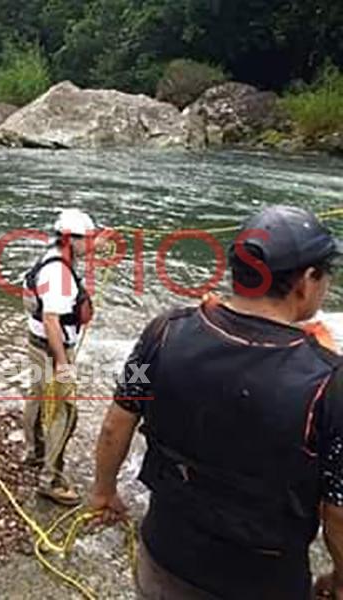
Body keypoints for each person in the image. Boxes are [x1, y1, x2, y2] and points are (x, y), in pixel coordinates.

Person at [88, 205, 343, 600]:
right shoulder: (330, 384)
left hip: (164, 556)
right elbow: (337, 511)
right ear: (307, 281)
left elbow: (118, 418)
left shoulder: (161, 334)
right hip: (262, 581)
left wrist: (104, 490)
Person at [22, 208, 95, 505]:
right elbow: (52, 319)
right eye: (86, 240)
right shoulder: (59, 273)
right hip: (53, 349)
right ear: (70, 239)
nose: (90, 245)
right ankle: (50, 479)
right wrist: (63, 364)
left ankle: (34, 453)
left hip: (36, 343)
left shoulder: (52, 256)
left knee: (37, 397)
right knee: (65, 411)